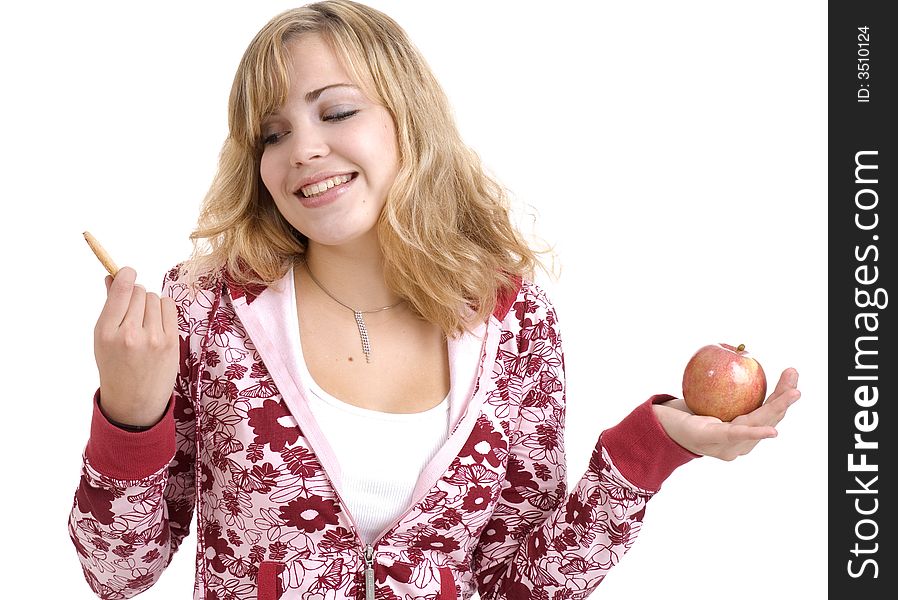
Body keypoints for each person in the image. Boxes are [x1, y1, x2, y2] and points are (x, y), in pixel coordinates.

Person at [68, 1, 801, 599]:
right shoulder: (205, 311)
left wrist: (654, 447)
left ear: (406, 118)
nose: (303, 150)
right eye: (273, 132)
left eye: (337, 112)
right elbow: (118, 572)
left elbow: (524, 584)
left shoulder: (514, 323)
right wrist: (132, 415)